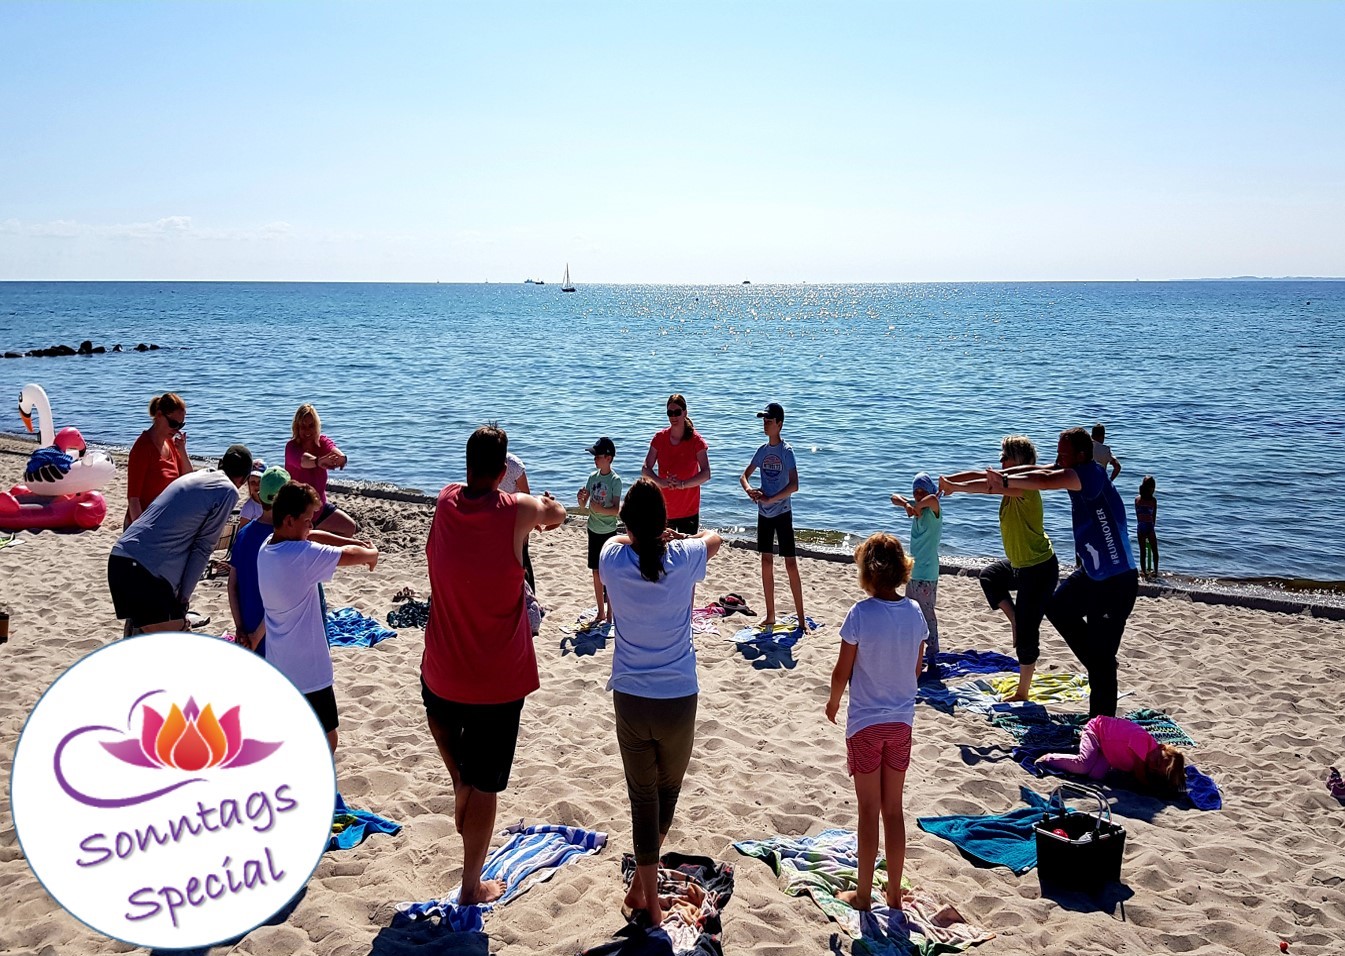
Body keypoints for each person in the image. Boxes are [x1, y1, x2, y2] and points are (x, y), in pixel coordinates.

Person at [422, 425, 567, 905]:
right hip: (495, 682)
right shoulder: (515, 510)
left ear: (466, 465)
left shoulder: (444, 501)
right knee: (485, 785)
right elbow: (557, 514)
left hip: (440, 675)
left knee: (442, 722)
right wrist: (545, 505)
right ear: (504, 473)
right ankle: (471, 886)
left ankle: (458, 776)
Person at [598, 477, 724, 926]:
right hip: (677, 699)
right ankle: (648, 904)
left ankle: (640, 891)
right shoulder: (684, 557)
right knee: (665, 793)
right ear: (664, 524)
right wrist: (678, 537)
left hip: (631, 699)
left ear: (628, 523)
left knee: (642, 798)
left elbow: (617, 537)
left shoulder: (612, 558)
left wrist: (641, 534)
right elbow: (716, 538)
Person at [987, 427, 1139, 718]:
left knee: (1102, 671)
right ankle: (1100, 659)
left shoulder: (1090, 475)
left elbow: (1045, 480)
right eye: (1057, 453)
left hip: (1117, 582)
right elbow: (1040, 469)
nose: (1058, 459)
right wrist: (983, 481)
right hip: (1093, 576)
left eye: (1063, 454)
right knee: (1056, 606)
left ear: (1081, 456)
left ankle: (1099, 727)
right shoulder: (1072, 467)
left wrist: (1007, 479)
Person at [825, 532, 926, 912]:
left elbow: (841, 672)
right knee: (893, 810)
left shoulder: (860, 614)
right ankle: (895, 893)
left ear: (866, 574)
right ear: (902, 571)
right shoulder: (915, 613)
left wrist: (834, 702)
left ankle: (864, 895)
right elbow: (916, 669)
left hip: (866, 725)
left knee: (868, 811)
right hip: (901, 723)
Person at [257, 481, 379, 754]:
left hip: (281, 666)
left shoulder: (268, 547)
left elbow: (314, 536)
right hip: (308, 672)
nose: (311, 526)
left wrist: (352, 540)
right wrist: (371, 553)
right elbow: (349, 557)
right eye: (307, 520)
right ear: (289, 520)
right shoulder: (299, 557)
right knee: (327, 738)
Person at [940, 436, 1059, 700]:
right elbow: (980, 475)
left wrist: (957, 489)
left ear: (1020, 461)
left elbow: (986, 487)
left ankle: (1023, 692)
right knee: (990, 576)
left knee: (1028, 636)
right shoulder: (1009, 483)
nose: (1000, 461)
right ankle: (1015, 618)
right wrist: (949, 480)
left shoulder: (1023, 488)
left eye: (1006, 457)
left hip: (1039, 569)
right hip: (1021, 566)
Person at [109, 444, 252, 635]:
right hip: (144, 571)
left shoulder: (194, 477)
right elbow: (203, 547)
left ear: (220, 464)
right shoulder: (228, 491)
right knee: (179, 637)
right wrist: (183, 599)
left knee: (142, 638)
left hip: (120, 559)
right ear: (244, 479)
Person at [739, 402, 807, 629]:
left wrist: (772, 498)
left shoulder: (786, 452)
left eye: (769, 420)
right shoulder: (762, 451)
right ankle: (770, 615)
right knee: (766, 562)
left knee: (790, 564)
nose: (765, 424)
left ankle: (801, 619)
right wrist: (750, 491)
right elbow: (744, 476)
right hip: (764, 514)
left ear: (779, 424)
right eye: (764, 420)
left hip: (782, 513)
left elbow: (795, 485)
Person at [1035, 715, 1185, 795]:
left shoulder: (1151, 757)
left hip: (1107, 751)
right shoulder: (1144, 742)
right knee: (1083, 765)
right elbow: (1140, 775)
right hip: (1097, 731)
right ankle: (1048, 758)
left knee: (1096, 775)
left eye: (1156, 768)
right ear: (1162, 746)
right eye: (1159, 759)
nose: (1153, 763)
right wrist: (1155, 791)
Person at [229, 466, 287, 653]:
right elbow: (280, 597)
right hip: (273, 633)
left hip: (247, 627)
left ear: (260, 496)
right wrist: (256, 635)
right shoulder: (283, 539)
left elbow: (232, 585)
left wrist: (239, 628)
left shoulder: (244, 533)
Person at [890, 472, 941, 674]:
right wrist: (906, 505)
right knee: (912, 613)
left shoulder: (934, 510)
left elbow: (933, 500)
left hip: (927, 573)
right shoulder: (917, 505)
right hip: (913, 572)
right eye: (915, 492)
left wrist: (917, 506)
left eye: (922, 491)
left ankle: (933, 652)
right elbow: (893, 497)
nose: (918, 495)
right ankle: (915, 651)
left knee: (927, 614)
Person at [285, 403, 358, 537]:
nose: (307, 431)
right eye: (303, 426)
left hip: (319, 507)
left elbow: (335, 451)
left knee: (349, 527)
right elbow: (303, 460)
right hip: (298, 512)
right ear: (297, 427)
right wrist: (319, 462)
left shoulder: (322, 442)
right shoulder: (291, 447)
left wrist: (341, 459)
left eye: (311, 426)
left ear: (317, 426)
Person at [642, 393, 711, 534]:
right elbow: (646, 469)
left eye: (677, 412)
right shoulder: (659, 438)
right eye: (670, 413)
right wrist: (659, 482)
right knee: (663, 551)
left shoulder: (696, 441)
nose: (673, 416)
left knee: (687, 552)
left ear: (685, 412)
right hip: (664, 508)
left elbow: (706, 473)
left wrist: (682, 484)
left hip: (689, 509)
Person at [125, 392, 193, 527]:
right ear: (159, 415)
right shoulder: (143, 448)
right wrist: (142, 530)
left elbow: (188, 479)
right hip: (144, 524)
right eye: (173, 424)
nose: (176, 430)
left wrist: (182, 452)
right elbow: (133, 500)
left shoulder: (172, 444)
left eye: (180, 425)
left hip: (166, 523)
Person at [577, 437, 621, 625]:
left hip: (608, 531)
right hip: (593, 529)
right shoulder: (592, 478)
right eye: (594, 456)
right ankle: (601, 612)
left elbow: (616, 510)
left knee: (608, 572)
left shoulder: (615, 480)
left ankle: (610, 613)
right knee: (596, 571)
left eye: (598, 456)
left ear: (609, 458)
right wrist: (581, 499)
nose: (595, 459)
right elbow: (583, 506)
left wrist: (600, 509)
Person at [499, 448, 537, 592]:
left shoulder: (514, 465)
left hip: (517, 517)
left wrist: (527, 526)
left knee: (523, 558)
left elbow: (526, 494)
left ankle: (532, 598)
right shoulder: (486, 463)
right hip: (497, 516)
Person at [1136, 475, 1159, 579]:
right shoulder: (1153, 500)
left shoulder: (1137, 499)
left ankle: (1144, 572)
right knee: (1154, 551)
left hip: (1141, 526)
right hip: (1149, 526)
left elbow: (1138, 516)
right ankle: (1155, 571)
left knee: (1143, 552)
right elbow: (1153, 517)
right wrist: (1151, 528)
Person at [238, 458, 266, 528]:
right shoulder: (249, 507)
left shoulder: (271, 503)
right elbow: (242, 531)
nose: (256, 485)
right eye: (253, 482)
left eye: (260, 482)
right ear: (248, 484)